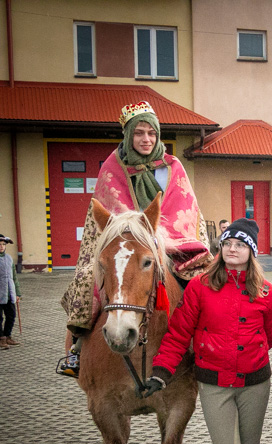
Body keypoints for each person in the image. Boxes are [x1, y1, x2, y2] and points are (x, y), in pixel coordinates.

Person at [144, 218, 272, 444]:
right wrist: (161, 371)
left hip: (255, 383)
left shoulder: (268, 291)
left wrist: (253, 353)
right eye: (228, 244)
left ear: (251, 252)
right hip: (214, 385)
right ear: (220, 249)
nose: (233, 249)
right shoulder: (199, 287)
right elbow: (178, 333)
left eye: (241, 245)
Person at [59, 101, 213, 376]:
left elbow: (184, 208)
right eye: (139, 133)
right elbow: (108, 209)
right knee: (86, 280)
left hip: (171, 242)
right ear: (129, 135)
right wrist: (134, 232)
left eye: (151, 133)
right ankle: (78, 349)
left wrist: (158, 237)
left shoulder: (172, 167)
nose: (146, 139)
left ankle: (205, 347)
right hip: (124, 241)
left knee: (202, 283)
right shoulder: (112, 167)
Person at [0, 234, 21, 350]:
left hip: (9, 293)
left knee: (11, 315)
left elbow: (14, 277)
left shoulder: (9, 258)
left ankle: (8, 336)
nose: (1, 247)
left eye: (3, 244)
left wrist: (17, 293)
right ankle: (1, 338)